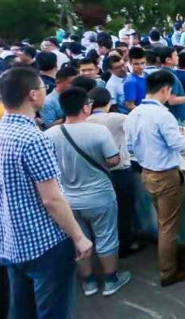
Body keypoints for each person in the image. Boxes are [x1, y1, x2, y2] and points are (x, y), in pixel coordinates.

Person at [0, 68, 94, 319]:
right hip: (44, 243)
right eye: (43, 88)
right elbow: (52, 199)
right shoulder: (34, 139)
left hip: (8, 240)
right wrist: (79, 237)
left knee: (21, 308)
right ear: (33, 94)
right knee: (53, 311)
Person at [46, 87, 133, 297]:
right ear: (86, 107)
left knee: (78, 238)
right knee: (106, 236)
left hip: (67, 198)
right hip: (99, 195)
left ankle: (88, 282)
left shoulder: (49, 134)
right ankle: (111, 279)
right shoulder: (98, 132)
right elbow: (113, 160)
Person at [124, 71, 185, 287]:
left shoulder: (134, 114)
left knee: (164, 221)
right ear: (166, 90)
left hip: (147, 173)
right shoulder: (162, 115)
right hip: (166, 176)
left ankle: (176, 257)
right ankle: (169, 271)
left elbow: (129, 147)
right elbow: (180, 145)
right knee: (168, 226)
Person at [86, 87, 139, 258]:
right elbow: (137, 123)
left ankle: (108, 247)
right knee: (124, 209)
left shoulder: (85, 121)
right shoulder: (116, 118)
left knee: (107, 214)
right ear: (109, 102)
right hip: (120, 171)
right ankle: (125, 245)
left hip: (97, 173)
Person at [123, 47, 148, 111]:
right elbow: (130, 105)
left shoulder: (148, 75)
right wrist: (146, 113)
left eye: (142, 63)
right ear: (130, 63)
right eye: (136, 64)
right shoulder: (131, 82)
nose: (140, 67)